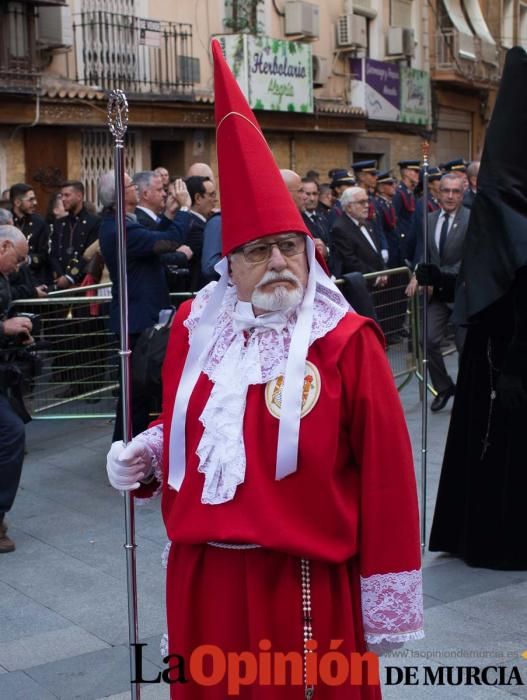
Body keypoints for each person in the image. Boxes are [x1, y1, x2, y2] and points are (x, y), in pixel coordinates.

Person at [106, 39, 423, 699]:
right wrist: (148, 453)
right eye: (257, 251)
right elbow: (192, 424)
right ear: (230, 266)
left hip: (301, 584)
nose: (277, 262)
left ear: (308, 252)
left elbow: (388, 476)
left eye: (288, 246)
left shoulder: (344, 340)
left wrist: (386, 597)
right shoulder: (197, 331)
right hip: (199, 584)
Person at [429, 46, 527, 570]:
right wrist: (441, 280)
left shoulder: (512, 217)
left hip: (511, 362)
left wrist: (514, 366)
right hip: (489, 360)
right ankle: (470, 532)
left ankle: (500, 540)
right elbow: (485, 282)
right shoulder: (499, 214)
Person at [98, 170, 191, 440]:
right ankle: (126, 448)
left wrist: (171, 214)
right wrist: (185, 209)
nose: (135, 189)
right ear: (119, 195)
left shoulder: (126, 223)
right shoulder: (120, 228)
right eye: (129, 186)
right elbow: (167, 242)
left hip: (140, 316)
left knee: (137, 394)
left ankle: (133, 445)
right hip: (135, 320)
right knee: (134, 394)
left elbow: (152, 237)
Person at [406, 172, 469, 411]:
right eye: (446, 191)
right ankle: (444, 387)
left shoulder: (471, 219)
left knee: (465, 348)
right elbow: (425, 254)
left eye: (456, 191)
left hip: (463, 294)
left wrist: (437, 276)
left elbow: (469, 258)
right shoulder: (429, 219)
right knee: (428, 340)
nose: (450, 196)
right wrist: (418, 273)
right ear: (438, 192)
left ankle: (466, 392)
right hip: (437, 296)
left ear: (462, 195)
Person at [0, 225, 33, 553]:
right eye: (19, 259)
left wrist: (14, 332)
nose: (19, 266)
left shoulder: (5, 277)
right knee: (10, 434)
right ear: (4, 246)